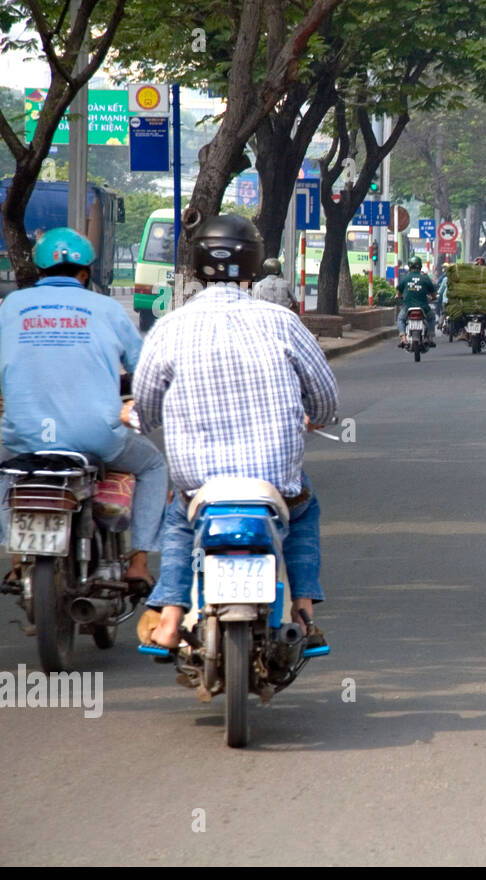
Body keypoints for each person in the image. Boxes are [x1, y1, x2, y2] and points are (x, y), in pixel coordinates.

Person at [133, 214, 339, 649]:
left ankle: (170, 618)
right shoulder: (282, 322)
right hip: (273, 483)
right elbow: (325, 400)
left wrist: (134, 416)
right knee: (304, 510)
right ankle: (303, 612)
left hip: (200, 485)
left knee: (178, 519)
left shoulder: (169, 327)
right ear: (253, 264)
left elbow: (147, 410)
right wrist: (313, 415)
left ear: (196, 263)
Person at [0, 227, 167, 588]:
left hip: (24, 438)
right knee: (154, 466)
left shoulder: (11, 306)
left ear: (39, 271)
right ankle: (138, 562)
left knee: (5, 472)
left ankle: (15, 557)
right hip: (96, 439)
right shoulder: (106, 308)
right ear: (85, 273)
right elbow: (144, 368)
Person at [395, 256, 437, 348]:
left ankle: (403, 339)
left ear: (409, 267)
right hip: (423, 307)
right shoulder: (425, 278)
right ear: (420, 266)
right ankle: (429, 337)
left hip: (407, 307)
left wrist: (398, 297)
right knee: (431, 318)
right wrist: (432, 298)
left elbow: (398, 294)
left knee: (401, 319)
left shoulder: (405, 279)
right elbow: (433, 296)